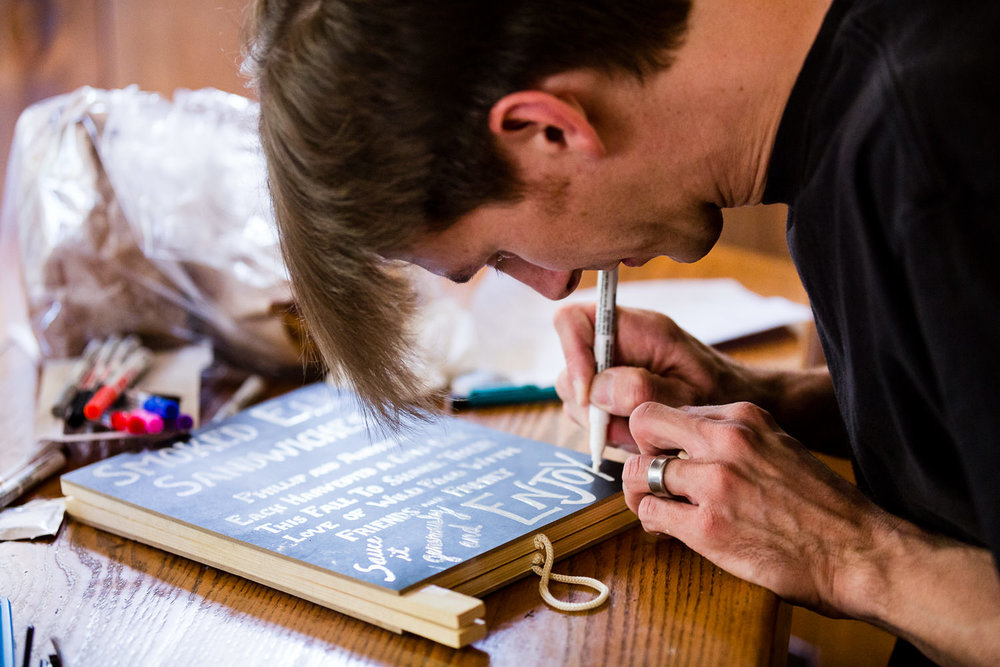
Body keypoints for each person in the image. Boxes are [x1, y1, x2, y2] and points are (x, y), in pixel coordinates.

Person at [245, 0, 1000, 663]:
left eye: (500, 254)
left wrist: (851, 556)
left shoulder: (939, 149)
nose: (554, 284)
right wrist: (769, 396)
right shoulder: (854, 121)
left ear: (548, 127)